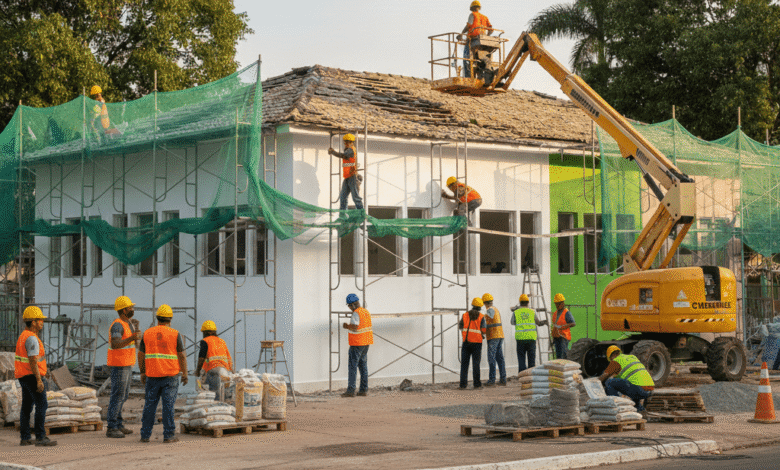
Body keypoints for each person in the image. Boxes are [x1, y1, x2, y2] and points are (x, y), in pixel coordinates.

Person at [138, 304, 188, 443]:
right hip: (170, 376)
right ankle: (169, 435)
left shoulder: (147, 333)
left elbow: (141, 355)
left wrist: (142, 372)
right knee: (168, 406)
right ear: (170, 319)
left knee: (149, 405)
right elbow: (182, 356)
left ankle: (145, 435)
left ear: (157, 318)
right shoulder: (175, 334)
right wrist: (185, 373)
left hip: (152, 375)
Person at [14, 306, 57, 447]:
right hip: (32, 376)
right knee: (41, 405)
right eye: (40, 320)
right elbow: (33, 361)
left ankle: (25, 437)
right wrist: (39, 380)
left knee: (26, 407)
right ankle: (40, 437)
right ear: (33, 322)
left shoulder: (23, 336)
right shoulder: (31, 339)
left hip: (24, 376)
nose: (42, 322)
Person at [106, 296, 141, 438]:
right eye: (130, 308)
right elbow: (115, 344)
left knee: (123, 395)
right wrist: (132, 337)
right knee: (117, 395)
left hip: (127, 364)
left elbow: (133, 342)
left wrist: (135, 331)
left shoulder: (127, 324)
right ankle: (112, 426)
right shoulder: (118, 325)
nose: (133, 310)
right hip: (119, 365)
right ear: (123, 310)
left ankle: (118, 424)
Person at [599, 345, 654, 412]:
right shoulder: (632, 357)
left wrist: (595, 382)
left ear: (611, 356)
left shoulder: (616, 361)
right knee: (631, 383)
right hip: (650, 390)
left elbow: (604, 375)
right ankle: (640, 409)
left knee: (609, 382)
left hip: (639, 389)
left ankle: (616, 406)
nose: (611, 361)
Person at [342, 293, 373, 397]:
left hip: (357, 343)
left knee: (352, 366)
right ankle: (363, 390)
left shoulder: (356, 313)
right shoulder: (365, 311)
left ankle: (351, 390)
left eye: (349, 306)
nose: (349, 308)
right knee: (363, 366)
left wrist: (346, 326)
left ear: (352, 305)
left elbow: (355, 327)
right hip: (366, 342)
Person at [195, 320, 233, 400]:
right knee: (223, 393)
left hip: (214, 370)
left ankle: (215, 408)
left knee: (213, 394)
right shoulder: (222, 341)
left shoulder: (205, 341)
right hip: (225, 371)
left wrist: (198, 371)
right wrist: (231, 371)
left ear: (206, 332)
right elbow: (229, 358)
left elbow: (201, 358)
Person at [510, 294, 548, 372]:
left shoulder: (516, 312)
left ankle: (522, 378)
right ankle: (531, 378)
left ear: (520, 303)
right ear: (528, 302)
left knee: (521, 360)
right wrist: (545, 322)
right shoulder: (532, 311)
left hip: (520, 339)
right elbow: (538, 323)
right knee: (531, 360)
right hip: (531, 339)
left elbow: (512, 322)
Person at [328, 134, 364, 212]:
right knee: (343, 196)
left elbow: (343, 155)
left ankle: (361, 212)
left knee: (355, 197)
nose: (346, 144)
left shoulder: (351, 150)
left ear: (352, 142)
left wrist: (333, 152)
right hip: (347, 177)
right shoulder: (348, 149)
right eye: (345, 142)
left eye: (347, 142)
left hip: (352, 176)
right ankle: (343, 213)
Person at [459, 298, 487, 389]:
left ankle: (463, 385)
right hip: (477, 343)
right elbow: (484, 330)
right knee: (476, 364)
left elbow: (460, 326)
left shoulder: (465, 315)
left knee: (464, 364)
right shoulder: (481, 316)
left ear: (472, 305)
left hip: (466, 342)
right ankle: (477, 384)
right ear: (480, 307)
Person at [460, 0, 493, 78]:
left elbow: (469, 25)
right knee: (481, 59)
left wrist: (461, 34)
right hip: (483, 41)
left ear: (473, 7)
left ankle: (468, 77)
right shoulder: (485, 17)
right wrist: (487, 36)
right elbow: (491, 29)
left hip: (473, 39)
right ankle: (483, 75)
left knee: (467, 58)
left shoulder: (472, 15)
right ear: (479, 7)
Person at [482, 293, 506, 386]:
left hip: (493, 336)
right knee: (499, 358)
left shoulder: (490, 310)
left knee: (491, 358)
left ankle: (492, 380)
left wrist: (482, 318)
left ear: (484, 302)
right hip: (499, 335)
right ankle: (503, 379)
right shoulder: (495, 309)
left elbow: (488, 319)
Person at [551, 293, 576, 359]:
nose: (556, 305)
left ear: (562, 303)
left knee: (563, 356)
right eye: (555, 304)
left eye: (557, 304)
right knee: (558, 356)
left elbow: (573, 323)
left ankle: (564, 368)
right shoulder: (555, 313)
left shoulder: (566, 312)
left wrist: (564, 327)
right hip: (557, 337)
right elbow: (554, 325)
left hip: (563, 337)